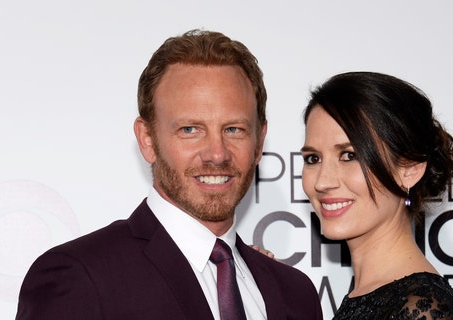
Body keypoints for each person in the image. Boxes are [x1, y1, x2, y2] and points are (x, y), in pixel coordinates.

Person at [16, 29, 323, 320]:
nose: (217, 153)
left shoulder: (295, 294)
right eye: (190, 129)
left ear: (259, 142)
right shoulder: (81, 276)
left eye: (234, 129)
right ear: (147, 140)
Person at [300, 71, 453, 319]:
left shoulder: (420, 307)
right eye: (313, 159)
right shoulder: (368, 292)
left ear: (409, 168)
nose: (322, 181)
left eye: (349, 156)